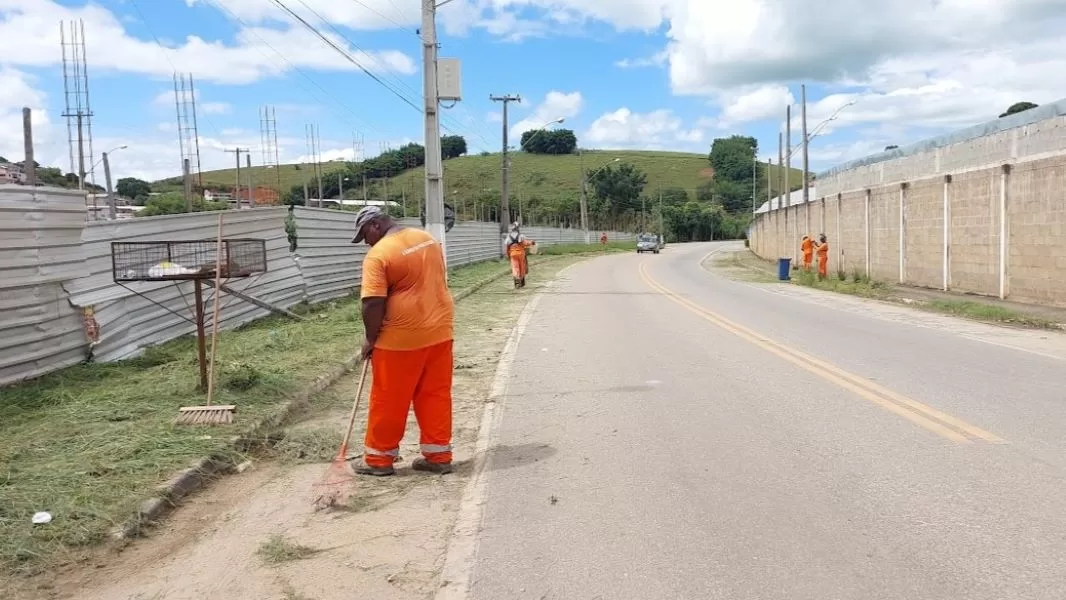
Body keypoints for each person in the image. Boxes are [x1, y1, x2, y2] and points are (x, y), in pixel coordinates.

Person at [350, 206, 455, 476]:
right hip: (440, 332)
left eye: (364, 236)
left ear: (374, 226)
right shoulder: (427, 239)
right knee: (435, 394)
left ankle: (379, 460)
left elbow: (373, 302)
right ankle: (439, 455)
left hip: (400, 339)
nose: (366, 243)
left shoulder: (379, 254)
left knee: (388, 399)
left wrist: (370, 339)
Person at [504, 223, 535, 288]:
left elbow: (507, 247)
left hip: (513, 254)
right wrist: (531, 242)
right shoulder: (521, 236)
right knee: (522, 267)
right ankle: (521, 280)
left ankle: (517, 279)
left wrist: (507, 255)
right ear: (518, 229)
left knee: (515, 267)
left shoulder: (508, 237)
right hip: (521, 254)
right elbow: (525, 243)